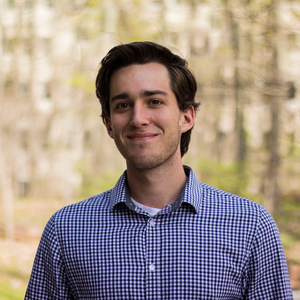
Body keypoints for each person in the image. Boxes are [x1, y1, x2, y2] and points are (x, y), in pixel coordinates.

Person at [25, 41, 293, 299]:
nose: (138, 118)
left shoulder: (250, 225)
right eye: (123, 105)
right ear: (109, 125)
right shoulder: (66, 230)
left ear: (186, 117)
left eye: (154, 101)